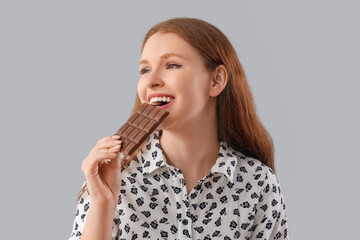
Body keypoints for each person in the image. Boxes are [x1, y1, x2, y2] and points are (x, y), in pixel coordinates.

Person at [68, 17, 289, 240]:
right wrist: (103, 203)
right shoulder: (112, 178)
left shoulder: (258, 183)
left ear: (216, 81)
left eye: (172, 65)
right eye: (144, 70)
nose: (151, 80)